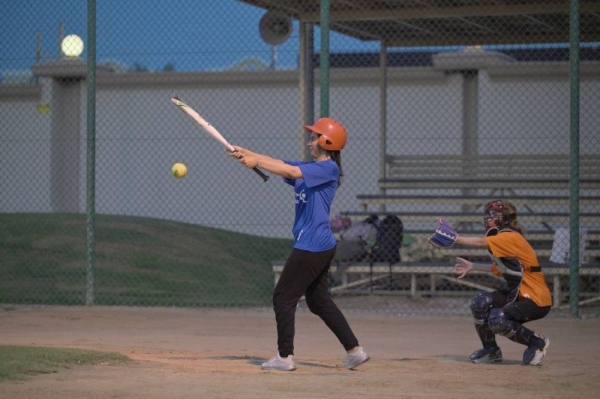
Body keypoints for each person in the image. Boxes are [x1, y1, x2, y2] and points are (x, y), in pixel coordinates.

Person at [228, 117, 370, 371]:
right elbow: (282, 165)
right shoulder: (309, 168)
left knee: (283, 297)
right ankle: (355, 351)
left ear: (326, 141)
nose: (310, 141)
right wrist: (246, 154)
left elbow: (290, 171)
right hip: (318, 243)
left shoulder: (328, 169)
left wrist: (257, 162)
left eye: (314, 137)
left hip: (312, 244)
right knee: (318, 301)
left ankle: (285, 357)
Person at [451, 200, 552, 366]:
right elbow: (500, 268)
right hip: (516, 294)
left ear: (505, 218)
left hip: (535, 299)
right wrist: (472, 266)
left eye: (493, 215)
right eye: (488, 214)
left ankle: (536, 343)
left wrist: (456, 238)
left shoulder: (510, 236)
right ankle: (491, 351)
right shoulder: (502, 237)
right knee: (480, 302)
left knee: (498, 318)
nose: (488, 218)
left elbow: (479, 242)